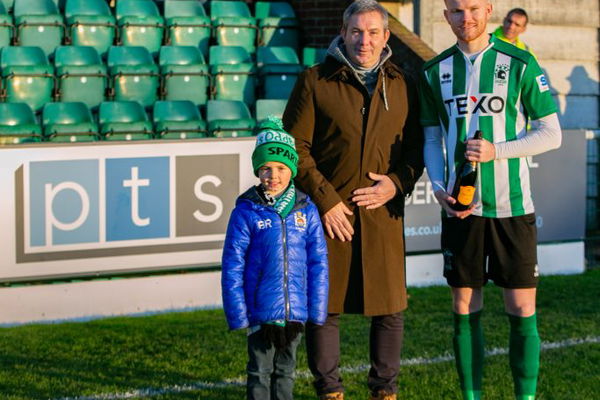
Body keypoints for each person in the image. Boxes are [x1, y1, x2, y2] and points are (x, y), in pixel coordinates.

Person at [419, 1, 562, 399]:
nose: (466, 18)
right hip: (460, 209)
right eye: (456, 11)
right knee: (464, 307)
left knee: (521, 310)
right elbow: (432, 137)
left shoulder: (519, 63)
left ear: (488, 9)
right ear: (445, 15)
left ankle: (526, 397)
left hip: (512, 207)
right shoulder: (434, 71)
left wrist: (496, 151)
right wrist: (436, 185)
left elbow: (551, 134)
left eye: (473, 9)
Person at [283, 0, 424, 399]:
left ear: (386, 37)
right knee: (325, 310)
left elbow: (416, 149)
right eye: (357, 32)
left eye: (373, 32)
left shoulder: (403, 82)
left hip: (383, 213)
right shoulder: (314, 80)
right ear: (343, 33)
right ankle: (330, 390)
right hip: (329, 215)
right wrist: (326, 201)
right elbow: (295, 148)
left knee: (390, 307)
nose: (365, 40)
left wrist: (396, 184)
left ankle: (385, 391)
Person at [221, 117, 329, 400]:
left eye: (281, 168)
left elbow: (318, 263)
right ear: (258, 170)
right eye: (266, 168)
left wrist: (316, 309)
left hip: (294, 313)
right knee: (258, 371)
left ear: (292, 169)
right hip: (260, 311)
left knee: (287, 370)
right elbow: (233, 265)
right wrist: (238, 312)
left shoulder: (307, 210)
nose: (274, 175)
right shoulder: (246, 212)